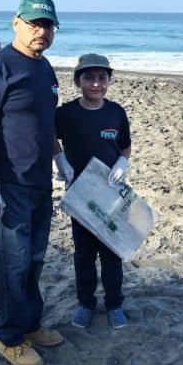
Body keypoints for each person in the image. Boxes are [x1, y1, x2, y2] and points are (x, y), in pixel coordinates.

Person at [0, 0, 64, 365]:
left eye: (49, 25)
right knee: (12, 263)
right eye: (35, 23)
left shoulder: (45, 68)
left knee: (35, 259)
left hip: (40, 183)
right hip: (8, 184)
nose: (42, 31)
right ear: (16, 22)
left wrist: (59, 156)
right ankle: (8, 338)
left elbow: (47, 119)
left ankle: (30, 324)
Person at [54, 53, 132, 330]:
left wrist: (124, 162)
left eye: (102, 78)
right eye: (89, 78)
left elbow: (125, 146)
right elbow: (50, 136)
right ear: (78, 81)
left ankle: (114, 304)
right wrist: (60, 159)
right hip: (80, 195)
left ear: (109, 81)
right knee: (84, 253)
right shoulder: (65, 114)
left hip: (111, 193)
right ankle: (86, 303)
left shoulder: (116, 112)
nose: (96, 84)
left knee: (112, 253)